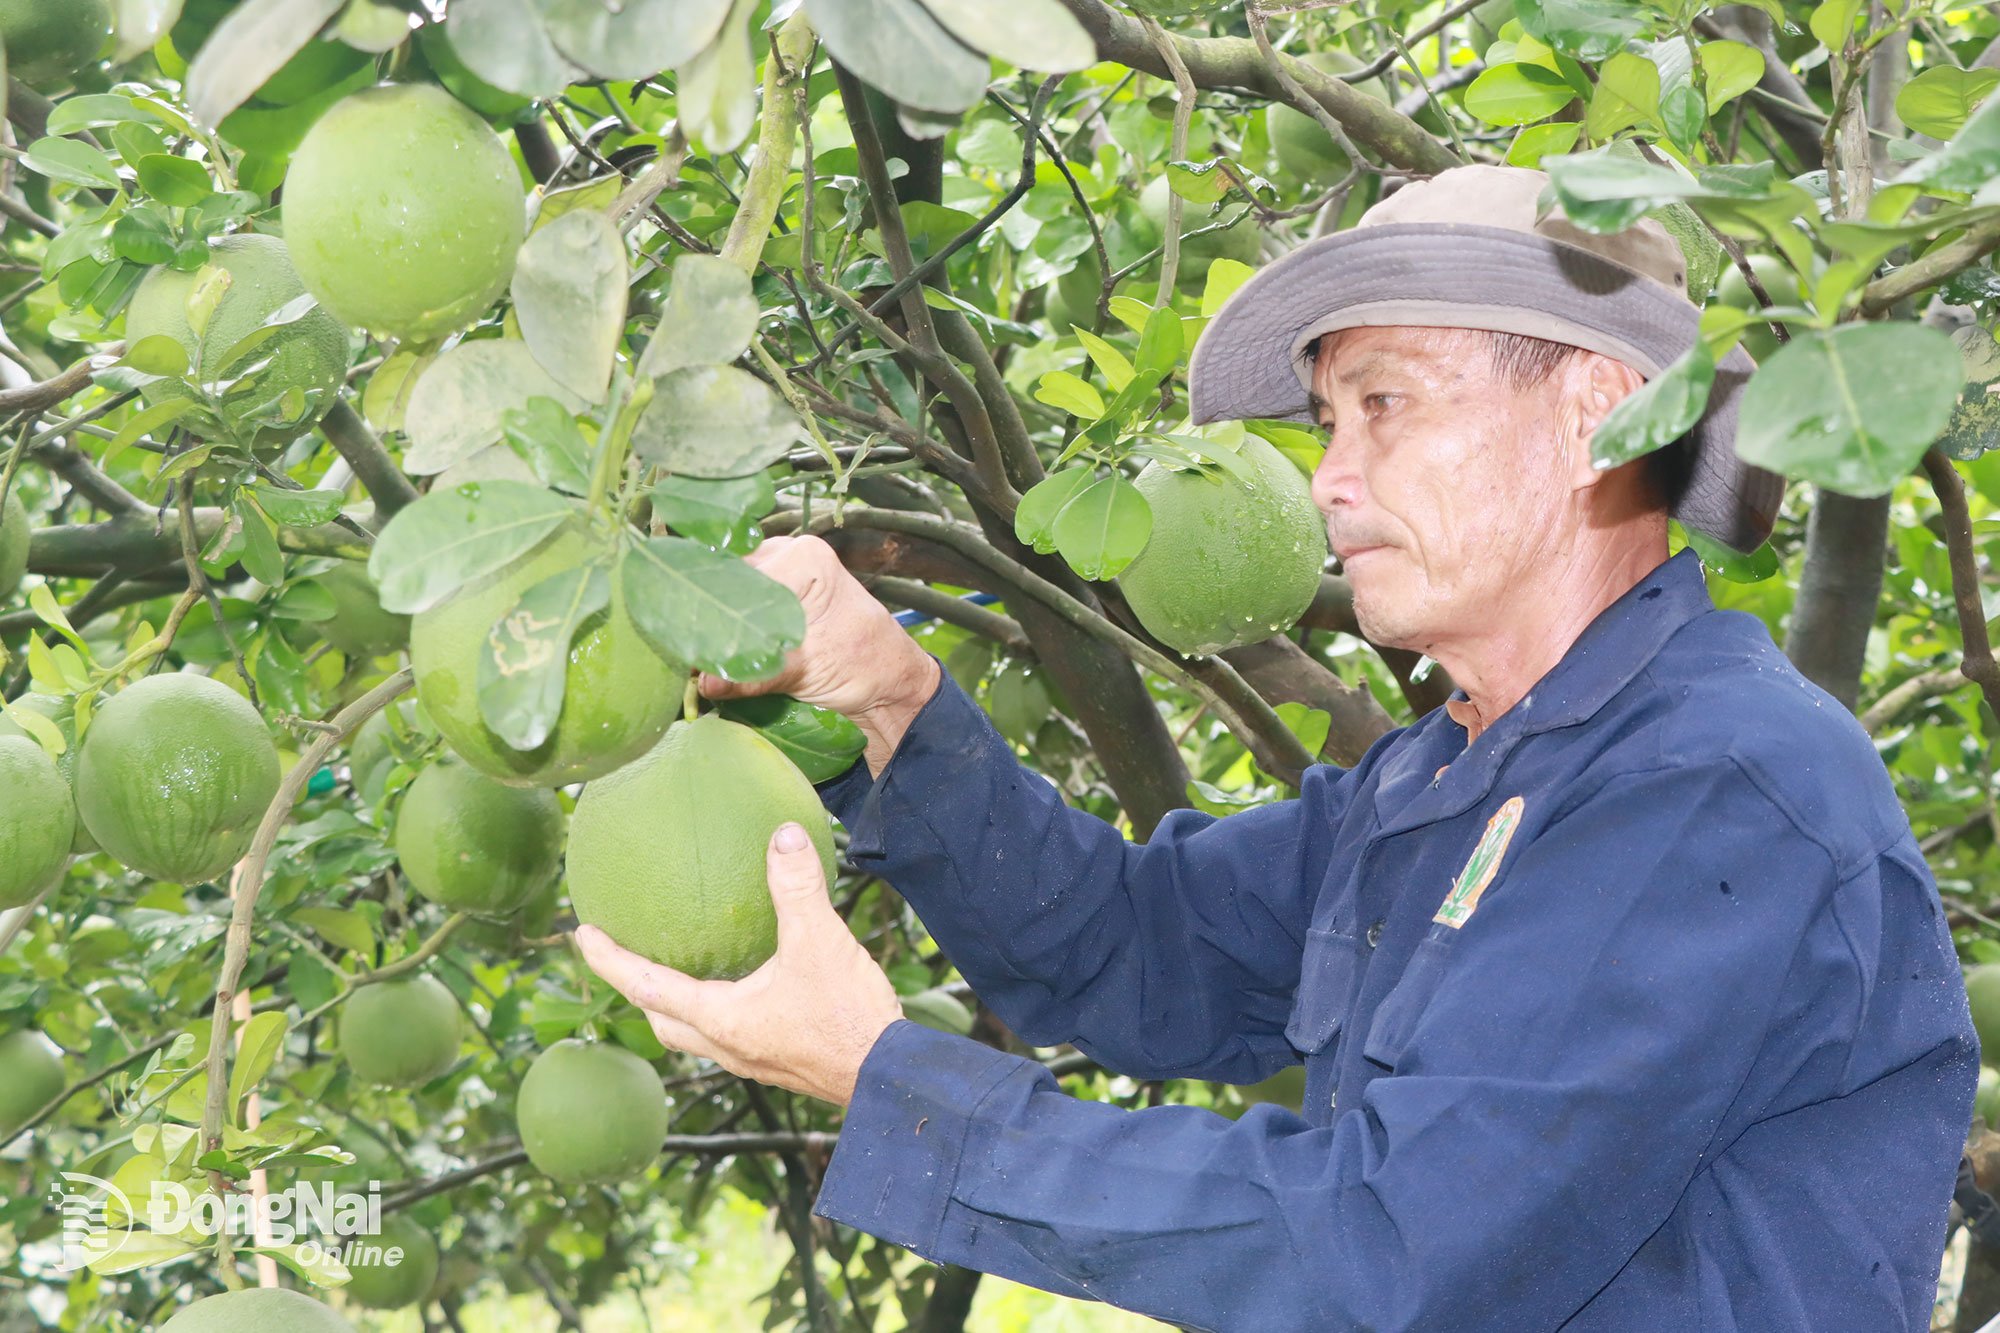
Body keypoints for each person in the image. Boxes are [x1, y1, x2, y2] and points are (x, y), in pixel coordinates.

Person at [578, 164, 1976, 1331]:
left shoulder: (1712, 789)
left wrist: (896, 1082)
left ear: (1593, 411)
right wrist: (892, 699)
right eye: (1324, 421)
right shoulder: (1441, 778)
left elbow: (1392, 1246)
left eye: (1386, 403)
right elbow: (1126, 948)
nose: (1327, 476)